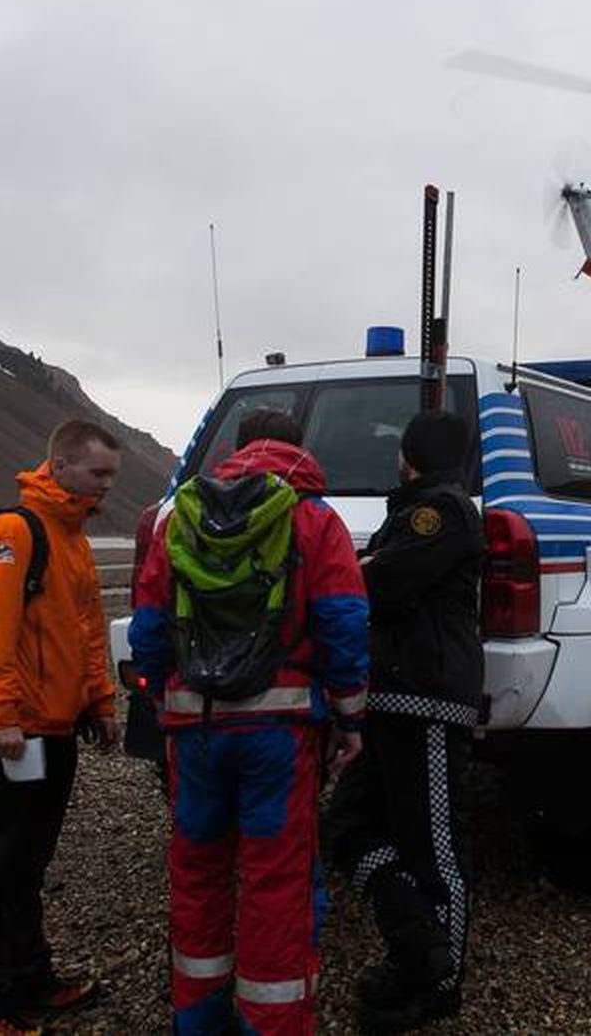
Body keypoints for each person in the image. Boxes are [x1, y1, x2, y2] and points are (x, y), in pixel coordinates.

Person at [128, 409, 369, 1035]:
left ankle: (199, 1021)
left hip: (194, 728)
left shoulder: (178, 517)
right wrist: (349, 716)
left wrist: (159, 696)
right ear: (296, 450)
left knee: (198, 869)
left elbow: (149, 624)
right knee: (276, 881)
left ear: (236, 451)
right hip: (280, 735)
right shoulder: (315, 519)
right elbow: (343, 622)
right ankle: (272, 1024)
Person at [0, 419, 122, 1036]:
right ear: (59, 467)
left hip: (55, 728)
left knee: (28, 861)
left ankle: (30, 976)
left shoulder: (71, 536)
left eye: (111, 477)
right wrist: (0, 716)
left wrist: (100, 703)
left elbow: (84, 627)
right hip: (13, 733)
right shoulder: (15, 532)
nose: (105, 487)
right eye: (97, 474)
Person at [326, 409, 485, 1032]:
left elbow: (381, 584)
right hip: (389, 696)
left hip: (428, 699)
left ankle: (439, 981)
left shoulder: (439, 512)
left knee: (434, 844)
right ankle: (417, 944)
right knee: (349, 828)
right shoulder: (415, 509)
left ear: (409, 455)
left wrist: (331, 578)